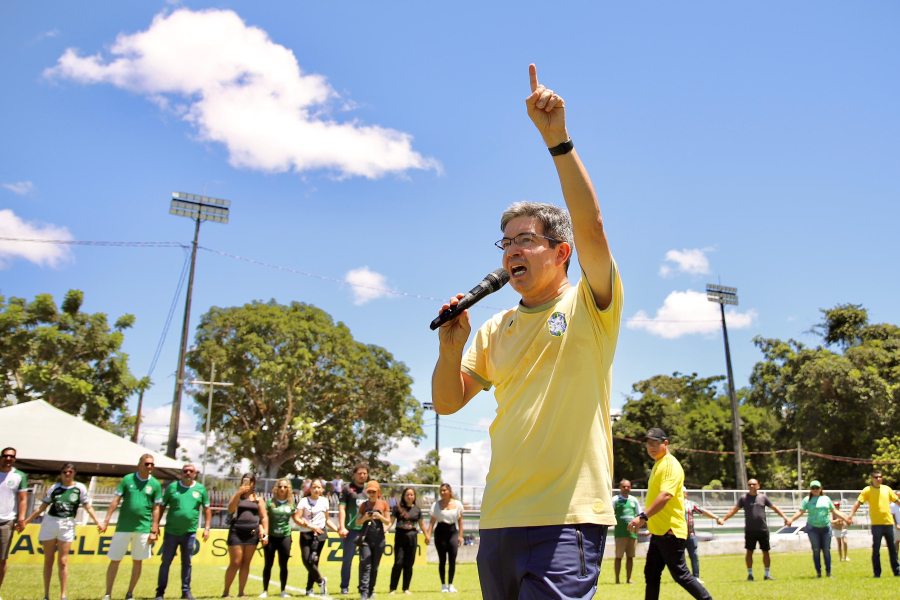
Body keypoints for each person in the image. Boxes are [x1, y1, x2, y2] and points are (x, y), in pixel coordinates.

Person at [432, 64, 623, 600]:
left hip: (568, 519)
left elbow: (592, 227)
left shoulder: (590, 304)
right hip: (500, 521)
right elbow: (447, 403)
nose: (512, 250)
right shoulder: (496, 327)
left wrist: (556, 139)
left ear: (562, 252)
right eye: (506, 243)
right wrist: (450, 349)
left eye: (526, 239)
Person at [627, 429, 712, 600]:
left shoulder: (670, 465)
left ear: (665, 443)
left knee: (681, 574)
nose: (651, 447)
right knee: (651, 573)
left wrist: (643, 517)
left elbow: (666, 495)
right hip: (659, 531)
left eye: (655, 443)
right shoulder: (659, 464)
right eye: (648, 444)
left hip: (670, 530)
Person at [20, 462, 102, 600]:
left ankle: (63, 595)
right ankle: (46, 595)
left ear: (74, 473)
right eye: (65, 472)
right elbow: (42, 508)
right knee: (48, 560)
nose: (67, 474)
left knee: (63, 561)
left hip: (67, 524)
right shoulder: (55, 488)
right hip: (51, 523)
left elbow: (88, 507)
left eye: (70, 472)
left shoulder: (79, 488)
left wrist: (98, 522)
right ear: (61, 473)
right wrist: (26, 521)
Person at [102, 453, 163, 600]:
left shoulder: (155, 484)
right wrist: (106, 520)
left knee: (137, 561)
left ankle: (130, 593)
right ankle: (108, 594)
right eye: (146, 463)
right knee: (115, 560)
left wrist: (154, 527)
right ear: (139, 464)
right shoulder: (127, 479)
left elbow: (156, 508)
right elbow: (115, 500)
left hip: (143, 528)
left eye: (152, 464)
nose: (149, 466)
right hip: (123, 527)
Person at [155, 463, 210, 600]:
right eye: (185, 471)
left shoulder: (200, 489)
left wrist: (207, 528)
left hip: (189, 533)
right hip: (171, 532)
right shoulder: (172, 487)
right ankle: (160, 592)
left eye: (191, 471)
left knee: (187, 563)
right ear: (181, 473)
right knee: (166, 562)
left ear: (195, 473)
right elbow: (162, 506)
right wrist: (155, 524)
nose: (188, 473)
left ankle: (186, 592)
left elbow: (207, 509)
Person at [720, 478, 790, 581]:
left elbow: (775, 508)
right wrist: (723, 519)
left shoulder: (763, 498)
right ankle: (750, 574)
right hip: (750, 530)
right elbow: (734, 510)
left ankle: (767, 574)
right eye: (750, 484)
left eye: (753, 484)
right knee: (749, 551)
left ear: (758, 486)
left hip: (762, 529)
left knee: (766, 551)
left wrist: (785, 518)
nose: (752, 486)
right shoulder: (744, 498)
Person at [786, 480, 851, 578]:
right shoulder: (807, 500)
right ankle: (818, 572)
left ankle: (828, 572)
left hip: (826, 528)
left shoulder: (826, 499)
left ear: (821, 488)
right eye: (813, 488)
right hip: (813, 528)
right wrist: (791, 520)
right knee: (816, 550)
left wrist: (846, 519)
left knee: (826, 550)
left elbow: (835, 511)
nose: (815, 490)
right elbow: (800, 512)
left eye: (817, 488)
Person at [846, 469, 900, 577]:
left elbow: (897, 501)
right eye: (876, 477)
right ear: (871, 479)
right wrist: (850, 515)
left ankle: (897, 571)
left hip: (888, 523)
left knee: (893, 549)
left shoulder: (887, 489)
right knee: (876, 549)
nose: (879, 479)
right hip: (876, 524)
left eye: (880, 477)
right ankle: (877, 573)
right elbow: (858, 503)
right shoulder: (867, 490)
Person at [224, 473, 268, 597]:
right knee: (235, 562)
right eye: (245, 481)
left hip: (252, 533)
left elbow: (264, 517)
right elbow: (231, 509)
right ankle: (226, 592)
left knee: (246, 562)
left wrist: (265, 532)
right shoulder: (236, 496)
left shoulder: (258, 499)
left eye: (250, 481)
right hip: (237, 531)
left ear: (254, 483)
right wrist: (239, 493)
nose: (248, 484)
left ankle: (241, 592)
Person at [297, 478, 339, 597]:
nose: (316, 489)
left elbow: (327, 520)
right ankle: (321, 581)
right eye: (314, 487)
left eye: (318, 487)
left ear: (322, 489)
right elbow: (297, 518)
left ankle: (309, 588)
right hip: (306, 533)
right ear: (310, 488)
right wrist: (310, 526)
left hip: (320, 534)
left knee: (314, 561)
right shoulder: (304, 501)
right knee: (306, 560)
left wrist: (338, 530)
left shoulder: (324, 501)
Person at [261, 478, 297, 598]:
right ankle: (265, 590)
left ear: (288, 489)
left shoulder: (291, 503)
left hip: (285, 536)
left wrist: (310, 525)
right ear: (276, 488)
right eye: (280, 486)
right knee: (268, 564)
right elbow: (263, 518)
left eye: (285, 487)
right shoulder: (270, 502)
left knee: (283, 564)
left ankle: (283, 590)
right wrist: (264, 533)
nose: (282, 489)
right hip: (271, 536)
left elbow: (296, 518)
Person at [389, 487, 429, 595]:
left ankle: (406, 588)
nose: (409, 497)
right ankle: (392, 588)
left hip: (412, 537)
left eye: (411, 495)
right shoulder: (397, 508)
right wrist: (384, 529)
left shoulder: (417, 509)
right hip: (400, 536)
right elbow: (391, 522)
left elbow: (421, 524)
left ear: (414, 496)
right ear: (403, 496)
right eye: (407, 495)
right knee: (398, 562)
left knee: (409, 563)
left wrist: (427, 535)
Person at [338, 463, 370, 594]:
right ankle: (344, 586)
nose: (362, 476)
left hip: (366, 530)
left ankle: (364, 588)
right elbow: (342, 508)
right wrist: (342, 527)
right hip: (351, 529)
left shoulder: (370, 489)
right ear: (354, 475)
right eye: (360, 473)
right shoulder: (347, 489)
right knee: (347, 559)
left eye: (364, 473)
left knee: (366, 560)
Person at [356, 481, 390, 600]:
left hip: (379, 539)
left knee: (374, 567)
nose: (371, 494)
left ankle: (371, 590)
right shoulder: (364, 505)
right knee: (366, 565)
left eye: (373, 492)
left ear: (378, 492)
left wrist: (379, 516)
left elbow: (388, 521)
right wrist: (365, 518)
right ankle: (364, 592)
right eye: (369, 491)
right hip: (366, 539)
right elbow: (357, 522)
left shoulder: (384, 504)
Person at [427, 483, 464, 593]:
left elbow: (460, 521)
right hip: (440, 532)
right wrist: (428, 535)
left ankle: (451, 584)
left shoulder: (457, 504)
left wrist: (460, 536)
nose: (442, 492)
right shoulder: (436, 505)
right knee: (442, 559)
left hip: (452, 531)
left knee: (452, 558)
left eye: (444, 490)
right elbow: (432, 522)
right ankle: (443, 585)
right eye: (441, 491)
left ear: (449, 491)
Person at [683, 487, 724, 584]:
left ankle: (696, 576)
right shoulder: (673, 504)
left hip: (690, 534)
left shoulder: (690, 504)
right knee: (680, 558)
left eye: (682, 492)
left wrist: (716, 517)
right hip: (678, 536)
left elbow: (703, 511)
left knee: (694, 556)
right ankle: (682, 577)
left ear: (686, 493)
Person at [0, 447, 27, 598]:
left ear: (15, 459)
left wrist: (21, 519)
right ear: (0, 457)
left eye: (11, 456)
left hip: (6, 522)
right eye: (5, 456)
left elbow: (23, 499)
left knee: (2, 560)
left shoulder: (19, 476)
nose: (8, 459)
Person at [612, 479, 641, 584]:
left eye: (628, 486)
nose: (626, 488)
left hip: (632, 533)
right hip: (620, 533)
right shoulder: (615, 500)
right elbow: (611, 513)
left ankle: (628, 578)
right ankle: (617, 579)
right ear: (620, 487)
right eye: (624, 486)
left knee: (630, 557)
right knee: (618, 557)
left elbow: (639, 514)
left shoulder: (634, 500)